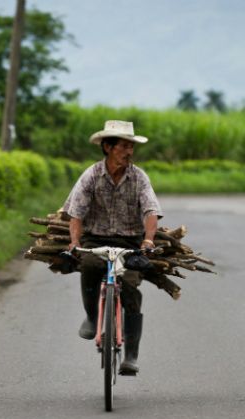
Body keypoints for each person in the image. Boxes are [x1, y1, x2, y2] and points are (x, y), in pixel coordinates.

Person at [60, 120, 162, 375]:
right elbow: (76, 214)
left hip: (130, 242)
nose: (129, 152)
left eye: (131, 147)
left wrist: (148, 240)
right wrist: (75, 243)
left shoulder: (139, 177)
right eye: (123, 147)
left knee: (129, 285)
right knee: (91, 266)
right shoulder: (91, 175)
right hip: (96, 239)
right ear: (107, 147)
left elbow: (151, 210)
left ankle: (131, 356)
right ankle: (93, 316)